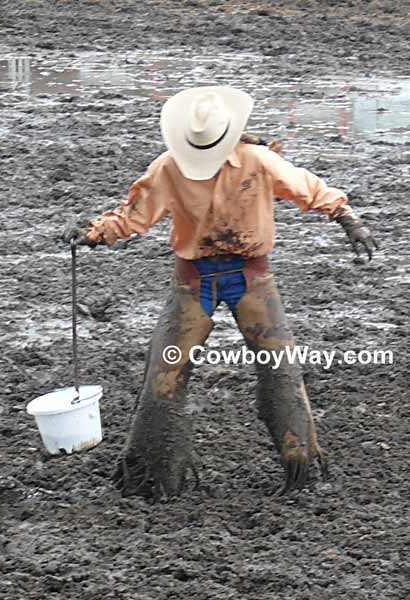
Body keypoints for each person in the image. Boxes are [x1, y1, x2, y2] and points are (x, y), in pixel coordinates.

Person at [63, 86, 377, 500]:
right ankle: (150, 478)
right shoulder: (169, 168)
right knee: (164, 375)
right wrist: (94, 233)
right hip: (194, 281)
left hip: (250, 277)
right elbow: (134, 214)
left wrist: (348, 219)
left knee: (280, 370)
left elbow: (310, 188)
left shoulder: (259, 161)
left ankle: (303, 471)